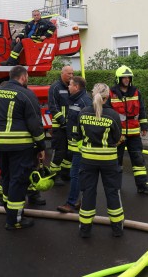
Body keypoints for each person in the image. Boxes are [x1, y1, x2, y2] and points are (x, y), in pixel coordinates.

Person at [0, 66, 46, 230]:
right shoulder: (26, 94)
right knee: (18, 182)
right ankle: (14, 220)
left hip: (1, 146)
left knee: (7, 178)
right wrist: (41, 146)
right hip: (21, 147)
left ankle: (9, 210)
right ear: (23, 77)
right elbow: (35, 125)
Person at [76, 83, 123, 238]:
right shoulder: (113, 115)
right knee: (112, 192)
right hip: (109, 160)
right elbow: (117, 138)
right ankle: (117, 229)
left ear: (92, 95)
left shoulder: (82, 113)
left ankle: (85, 229)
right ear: (108, 96)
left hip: (88, 159)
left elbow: (78, 135)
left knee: (88, 192)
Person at [110, 65, 148, 193]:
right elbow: (107, 113)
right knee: (116, 160)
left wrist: (144, 126)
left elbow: (141, 110)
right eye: (124, 77)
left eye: (128, 77)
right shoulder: (111, 93)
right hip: (118, 134)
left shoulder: (136, 92)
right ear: (118, 79)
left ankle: (142, 185)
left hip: (134, 133)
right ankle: (115, 186)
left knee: (138, 159)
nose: (126, 79)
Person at [57, 76, 92, 213]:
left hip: (80, 147)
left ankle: (71, 204)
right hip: (75, 146)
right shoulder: (76, 100)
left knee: (75, 175)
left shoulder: (84, 102)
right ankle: (82, 202)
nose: (68, 87)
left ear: (76, 87)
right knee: (80, 175)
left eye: (70, 85)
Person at [48, 65, 74, 183]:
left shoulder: (72, 87)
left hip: (71, 127)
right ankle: (55, 175)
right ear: (62, 73)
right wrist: (63, 121)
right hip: (60, 126)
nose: (71, 76)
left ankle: (65, 173)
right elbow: (53, 107)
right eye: (69, 74)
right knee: (60, 152)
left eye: (72, 74)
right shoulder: (55, 87)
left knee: (70, 153)